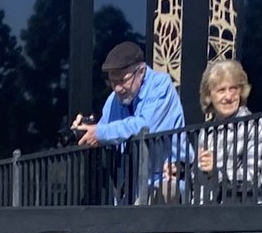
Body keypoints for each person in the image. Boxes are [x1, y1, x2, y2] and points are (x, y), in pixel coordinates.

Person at [75, 39, 188, 197]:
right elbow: (103, 133)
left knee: (165, 193)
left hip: (167, 181)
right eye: (112, 82)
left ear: (141, 72)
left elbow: (145, 126)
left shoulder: (161, 85)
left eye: (122, 80)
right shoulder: (113, 99)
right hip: (130, 191)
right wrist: (84, 131)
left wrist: (100, 132)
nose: (117, 88)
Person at [187, 57, 262, 200]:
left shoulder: (256, 127)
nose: (228, 96)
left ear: (241, 91)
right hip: (204, 215)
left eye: (233, 89)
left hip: (239, 215)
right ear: (209, 96)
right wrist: (181, 172)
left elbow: (253, 178)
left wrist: (217, 172)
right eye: (221, 90)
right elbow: (198, 179)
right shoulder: (206, 132)